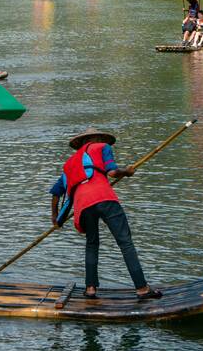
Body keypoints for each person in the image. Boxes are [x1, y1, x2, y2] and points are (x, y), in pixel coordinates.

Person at [49, 129, 161, 302]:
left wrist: (55, 217)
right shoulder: (102, 147)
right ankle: (142, 288)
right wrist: (127, 172)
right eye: (100, 138)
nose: (103, 140)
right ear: (95, 139)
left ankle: (91, 289)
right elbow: (112, 172)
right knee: (125, 243)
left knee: (92, 244)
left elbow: (56, 193)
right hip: (104, 198)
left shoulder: (70, 163)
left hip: (83, 206)